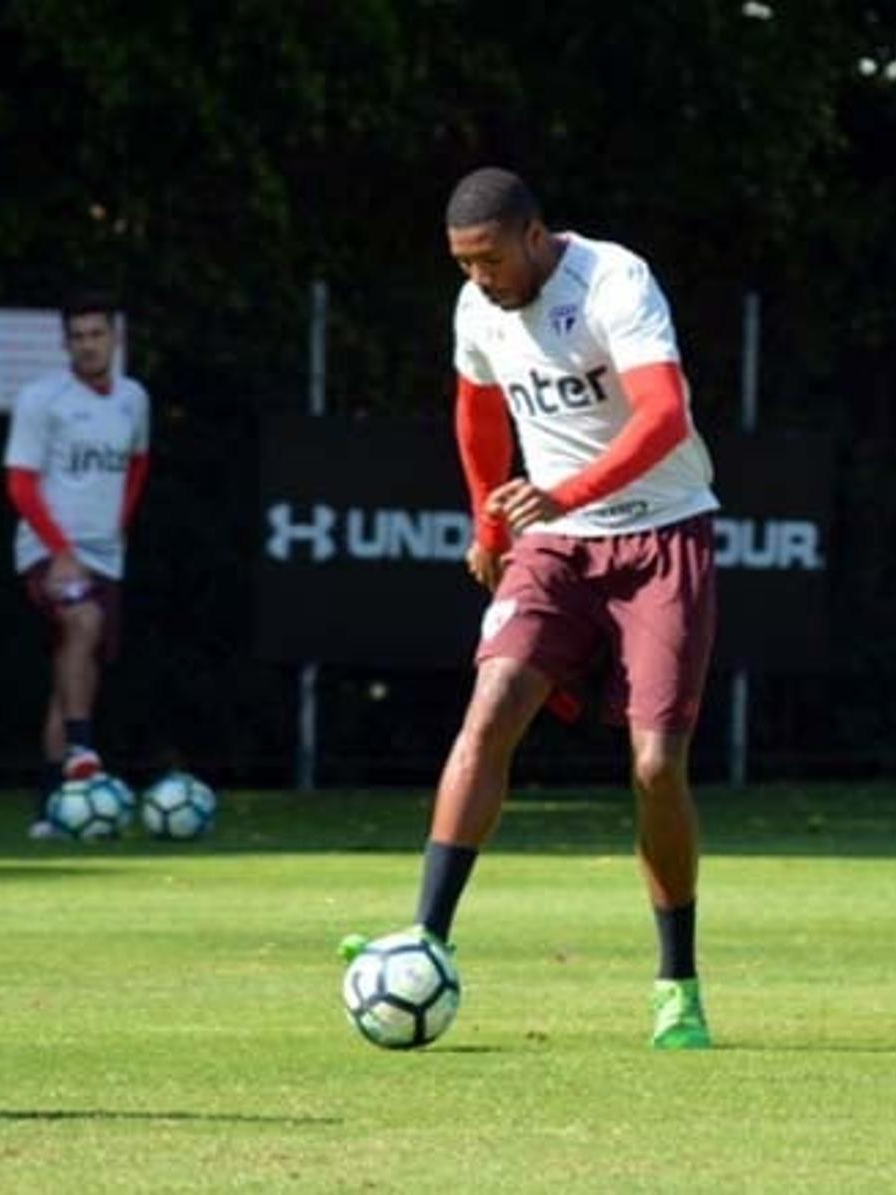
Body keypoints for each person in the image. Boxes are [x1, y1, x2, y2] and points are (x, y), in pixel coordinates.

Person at [342, 167, 720, 1049]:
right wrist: (491, 518)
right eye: (462, 264)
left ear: (535, 235)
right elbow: (476, 415)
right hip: (554, 545)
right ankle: (426, 934)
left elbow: (663, 415)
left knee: (658, 765)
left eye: (488, 259)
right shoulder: (477, 311)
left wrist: (567, 492)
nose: (477, 278)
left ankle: (677, 983)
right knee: (490, 706)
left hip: (664, 532)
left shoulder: (614, 280)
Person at [2, 293, 151, 837]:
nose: (89, 345)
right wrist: (60, 551)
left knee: (74, 673)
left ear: (114, 339)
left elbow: (136, 464)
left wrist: (118, 527)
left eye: (98, 334)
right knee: (80, 624)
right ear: (65, 345)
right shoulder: (43, 400)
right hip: (49, 551)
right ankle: (83, 750)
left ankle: (52, 809)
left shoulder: (134, 399)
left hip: (104, 555)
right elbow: (19, 481)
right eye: (79, 336)